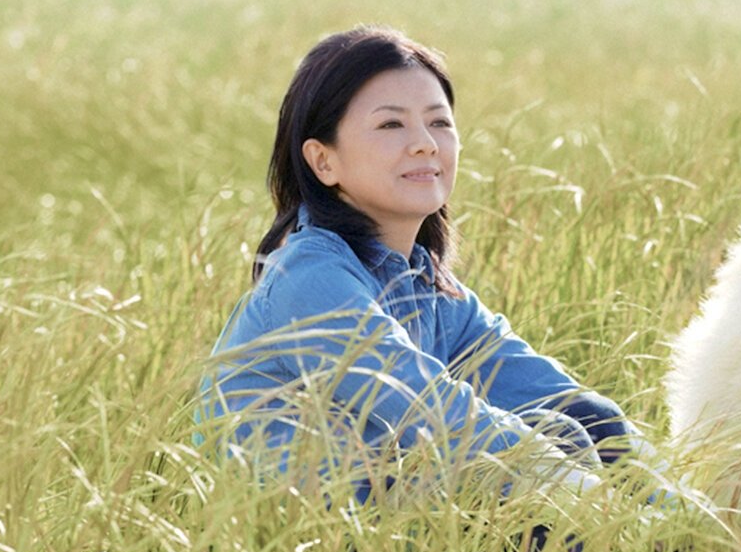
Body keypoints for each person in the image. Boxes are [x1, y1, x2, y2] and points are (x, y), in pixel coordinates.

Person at [201, 26, 666, 509]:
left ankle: (707, 550)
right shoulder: (307, 280)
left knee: (576, 423)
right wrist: (605, 513)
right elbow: (431, 414)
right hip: (304, 551)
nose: (424, 144)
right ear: (323, 162)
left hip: (399, 522)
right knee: (516, 484)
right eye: (390, 125)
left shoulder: (427, 287)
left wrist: (686, 510)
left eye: (439, 123)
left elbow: (560, 399)